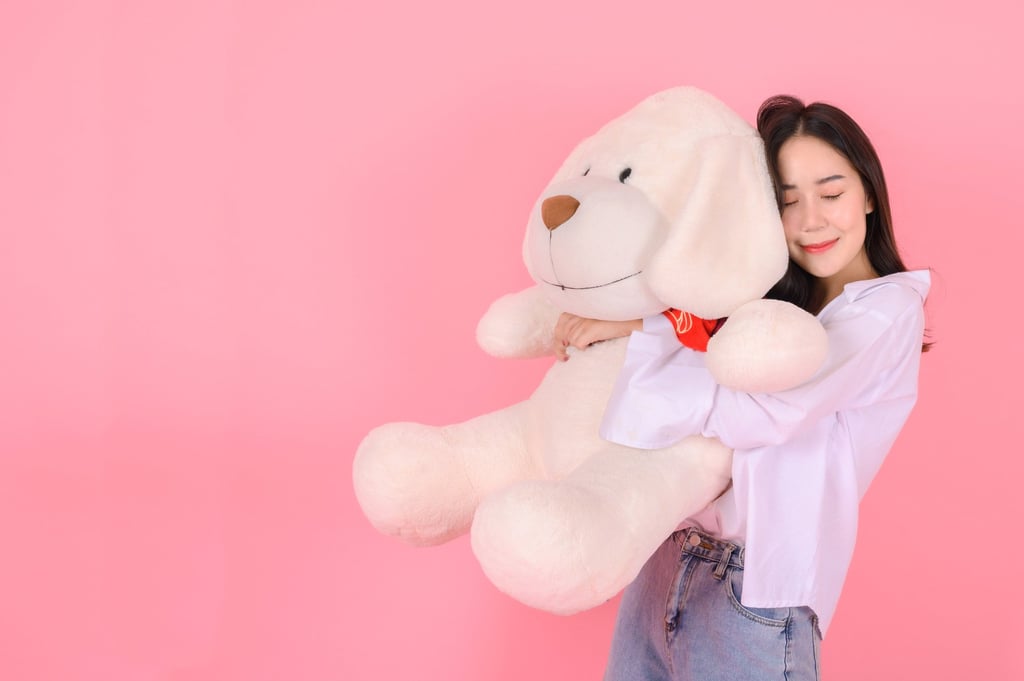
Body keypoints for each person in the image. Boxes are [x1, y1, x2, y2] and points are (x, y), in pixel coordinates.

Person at [553, 95, 931, 681]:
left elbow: (763, 409)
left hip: (755, 587)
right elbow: (712, 345)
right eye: (786, 202)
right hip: (665, 558)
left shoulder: (887, 311)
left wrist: (651, 352)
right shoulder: (764, 303)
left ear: (869, 195)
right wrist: (638, 323)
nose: (811, 221)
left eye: (831, 194)